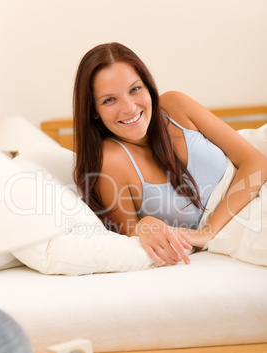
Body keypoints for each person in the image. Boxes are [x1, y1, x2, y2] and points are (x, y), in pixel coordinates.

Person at [73, 42, 267, 266]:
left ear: (148, 88)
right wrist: (143, 224)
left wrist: (209, 230)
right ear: (93, 112)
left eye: (135, 89)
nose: (129, 107)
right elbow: (128, 237)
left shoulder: (174, 106)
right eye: (109, 100)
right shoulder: (112, 160)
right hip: (240, 227)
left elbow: (256, 162)